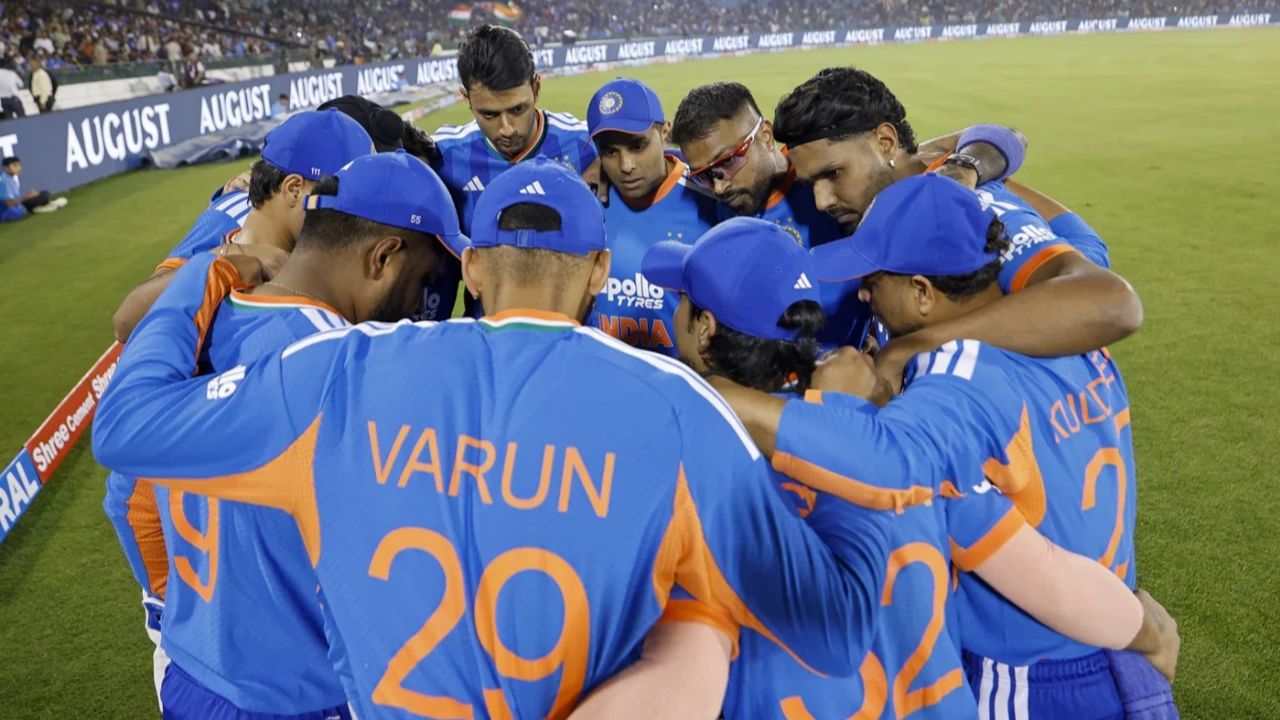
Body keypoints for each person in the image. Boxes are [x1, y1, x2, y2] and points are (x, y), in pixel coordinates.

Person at [94, 159, 898, 719]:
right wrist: (841, 424)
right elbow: (835, 631)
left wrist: (204, 275)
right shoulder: (677, 409)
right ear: (597, 270)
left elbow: (129, 430)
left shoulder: (340, 369)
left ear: (474, 270)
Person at [710, 175, 1179, 718]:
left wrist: (713, 394)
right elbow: (1080, 237)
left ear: (922, 292)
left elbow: (886, 462)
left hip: (1033, 674)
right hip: (1117, 632)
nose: (862, 294)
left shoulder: (956, 382)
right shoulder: (1072, 324)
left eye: (873, 280)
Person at [147, 151, 458, 720]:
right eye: (425, 279)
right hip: (293, 692)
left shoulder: (206, 321)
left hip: (193, 669)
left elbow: (133, 490)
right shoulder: (347, 368)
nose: (421, 304)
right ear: (383, 257)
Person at [102, 108, 372, 710]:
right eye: (336, 197)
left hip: (219, 513)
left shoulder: (304, 257)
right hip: (164, 516)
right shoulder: (228, 226)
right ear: (294, 189)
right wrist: (228, 265)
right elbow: (127, 318)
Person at [771, 67, 1139, 388]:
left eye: (834, 173)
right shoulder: (917, 191)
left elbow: (1112, 303)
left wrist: (907, 350)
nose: (822, 201)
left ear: (885, 142)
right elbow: (994, 137)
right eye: (811, 183)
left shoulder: (963, 213)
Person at [669, 82, 1020, 351]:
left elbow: (999, 136)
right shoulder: (723, 191)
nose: (718, 186)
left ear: (764, 136)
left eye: (728, 163)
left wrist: (962, 170)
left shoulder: (837, 176)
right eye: (704, 175)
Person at [110, 109, 373, 342]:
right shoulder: (223, 230)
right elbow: (125, 323)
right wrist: (229, 259)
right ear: (294, 189)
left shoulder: (323, 258)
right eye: (339, 199)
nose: (354, 217)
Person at [426, 24, 597, 321]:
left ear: (537, 88)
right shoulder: (444, 157)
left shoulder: (585, 147)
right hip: (488, 336)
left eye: (518, 110)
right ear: (466, 99)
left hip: (570, 334)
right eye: (489, 114)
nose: (506, 129)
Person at [584, 77, 719, 355]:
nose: (626, 166)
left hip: (682, 377)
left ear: (665, 132)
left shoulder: (712, 204)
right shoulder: (585, 200)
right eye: (610, 151)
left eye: (638, 146)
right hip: (604, 373)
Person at [2, 156, 67, 221]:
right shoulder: (4, 182)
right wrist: (26, 197)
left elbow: (15, 197)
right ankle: (38, 208)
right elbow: (9, 203)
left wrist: (29, 195)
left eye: (19, 165)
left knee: (44, 193)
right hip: (10, 212)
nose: (19, 168)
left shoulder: (10, 179)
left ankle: (42, 206)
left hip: (19, 207)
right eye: (15, 166)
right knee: (44, 196)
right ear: (6, 168)